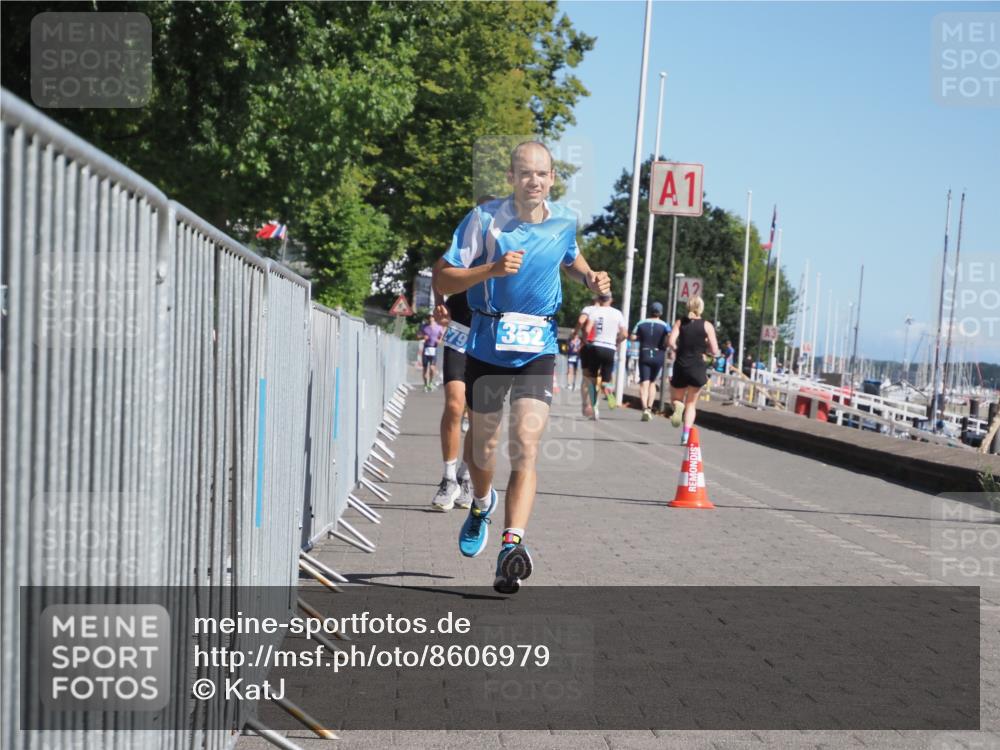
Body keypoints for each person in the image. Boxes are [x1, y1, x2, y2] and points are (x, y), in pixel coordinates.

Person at [434, 141, 610, 594]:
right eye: (525, 173)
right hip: (488, 345)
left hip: (539, 345)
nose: (534, 181)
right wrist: (490, 269)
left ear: (552, 179)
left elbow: (570, 257)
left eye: (542, 174)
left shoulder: (564, 220)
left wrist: (589, 277)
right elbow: (442, 276)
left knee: (526, 444)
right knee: (484, 449)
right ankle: (480, 503)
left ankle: (512, 546)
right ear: (511, 178)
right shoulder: (485, 220)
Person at [667, 295, 720, 445]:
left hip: (681, 364)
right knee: (691, 403)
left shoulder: (680, 322)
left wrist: (677, 349)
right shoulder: (707, 325)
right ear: (701, 308)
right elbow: (715, 350)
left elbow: (671, 341)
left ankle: (678, 407)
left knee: (676, 399)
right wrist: (707, 351)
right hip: (698, 365)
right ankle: (685, 435)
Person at [581, 293, 626, 418]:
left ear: (599, 299)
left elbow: (587, 329)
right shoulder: (617, 313)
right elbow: (625, 334)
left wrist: (585, 340)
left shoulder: (595, 312)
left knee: (592, 379)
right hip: (609, 348)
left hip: (596, 346)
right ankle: (608, 390)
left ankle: (594, 404)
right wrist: (616, 341)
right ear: (611, 300)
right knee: (606, 379)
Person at [630, 301, 670, 421]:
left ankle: (644, 409)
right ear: (661, 313)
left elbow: (632, 337)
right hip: (659, 354)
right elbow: (670, 337)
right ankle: (650, 407)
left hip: (645, 352)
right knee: (652, 382)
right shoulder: (664, 325)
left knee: (644, 383)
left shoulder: (641, 323)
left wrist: (640, 337)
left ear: (650, 311)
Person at [418, 315, 444, 391]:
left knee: (432, 368)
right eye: (429, 317)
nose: (430, 318)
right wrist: (423, 336)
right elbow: (418, 335)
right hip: (426, 349)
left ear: (434, 318)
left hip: (434, 349)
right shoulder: (424, 326)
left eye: (432, 317)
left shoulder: (439, 327)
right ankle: (426, 384)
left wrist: (440, 340)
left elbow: (442, 336)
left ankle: (430, 382)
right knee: (425, 369)